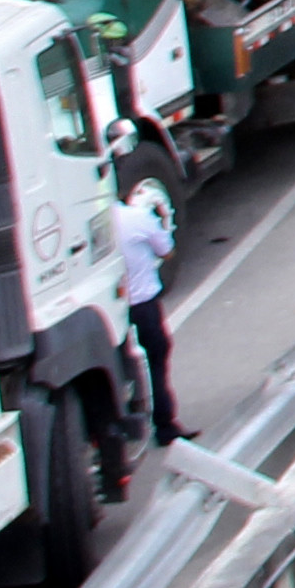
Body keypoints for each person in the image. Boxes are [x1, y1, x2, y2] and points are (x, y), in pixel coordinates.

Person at [116, 175, 183, 452]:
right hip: (142, 302)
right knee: (156, 357)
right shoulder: (137, 218)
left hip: (111, 308)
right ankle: (164, 424)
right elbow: (167, 251)